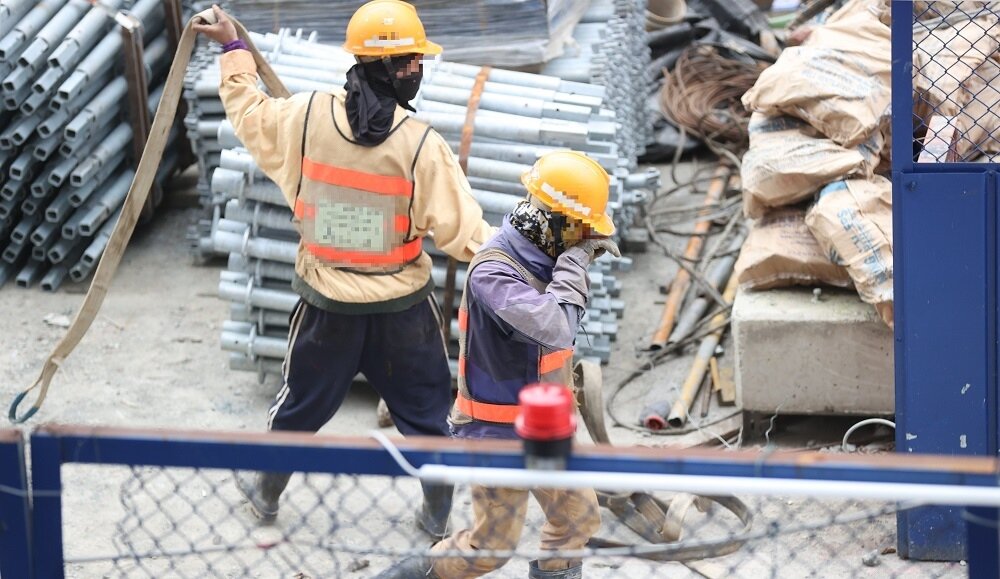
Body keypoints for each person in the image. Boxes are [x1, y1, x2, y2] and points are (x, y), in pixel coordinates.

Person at [193, 1, 494, 537]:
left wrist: (233, 50)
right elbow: (467, 236)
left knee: (300, 406)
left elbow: (247, 112)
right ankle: (437, 513)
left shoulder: (305, 117)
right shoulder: (421, 146)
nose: (415, 72)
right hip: (402, 311)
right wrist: (534, 258)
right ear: (393, 69)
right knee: (426, 413)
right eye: (409, 63)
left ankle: (265, 491)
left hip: (327, 307)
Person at [377, 151, 619, 579]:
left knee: (577, 519)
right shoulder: (494, 271)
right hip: (497, 432)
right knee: (489, 550)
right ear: (555, 222)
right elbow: (555, 326)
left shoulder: (546, 259)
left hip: (545, 429)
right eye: (580, 230)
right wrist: (576, 264)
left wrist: (570, 262)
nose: (585, 241)